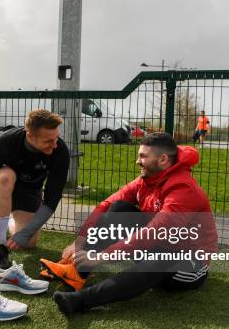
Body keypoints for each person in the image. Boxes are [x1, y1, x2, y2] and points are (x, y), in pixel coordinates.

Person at [40, 132, 217, 315]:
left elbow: (155, 232)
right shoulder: (148, 178)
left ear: (163, 159)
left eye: (143, 156)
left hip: (188, 265)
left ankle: (81, 300)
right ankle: (75, 272)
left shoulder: (184, 189)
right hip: (159, 245)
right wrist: (81, 240)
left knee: (160, 259)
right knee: (119, 208)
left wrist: (103, 256)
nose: (137, 161)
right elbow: (106, 204)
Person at [0, 109, 70, 267]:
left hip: (31, 191)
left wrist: (25, 233)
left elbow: (52, 200)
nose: (54, 144)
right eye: (48, 141)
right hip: (5, 185)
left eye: (56, 138)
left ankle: (2, 221)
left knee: (29, 242)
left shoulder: (60, 152)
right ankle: (1, 247)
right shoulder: (7, 141)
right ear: (30, 135)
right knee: (5, 176)